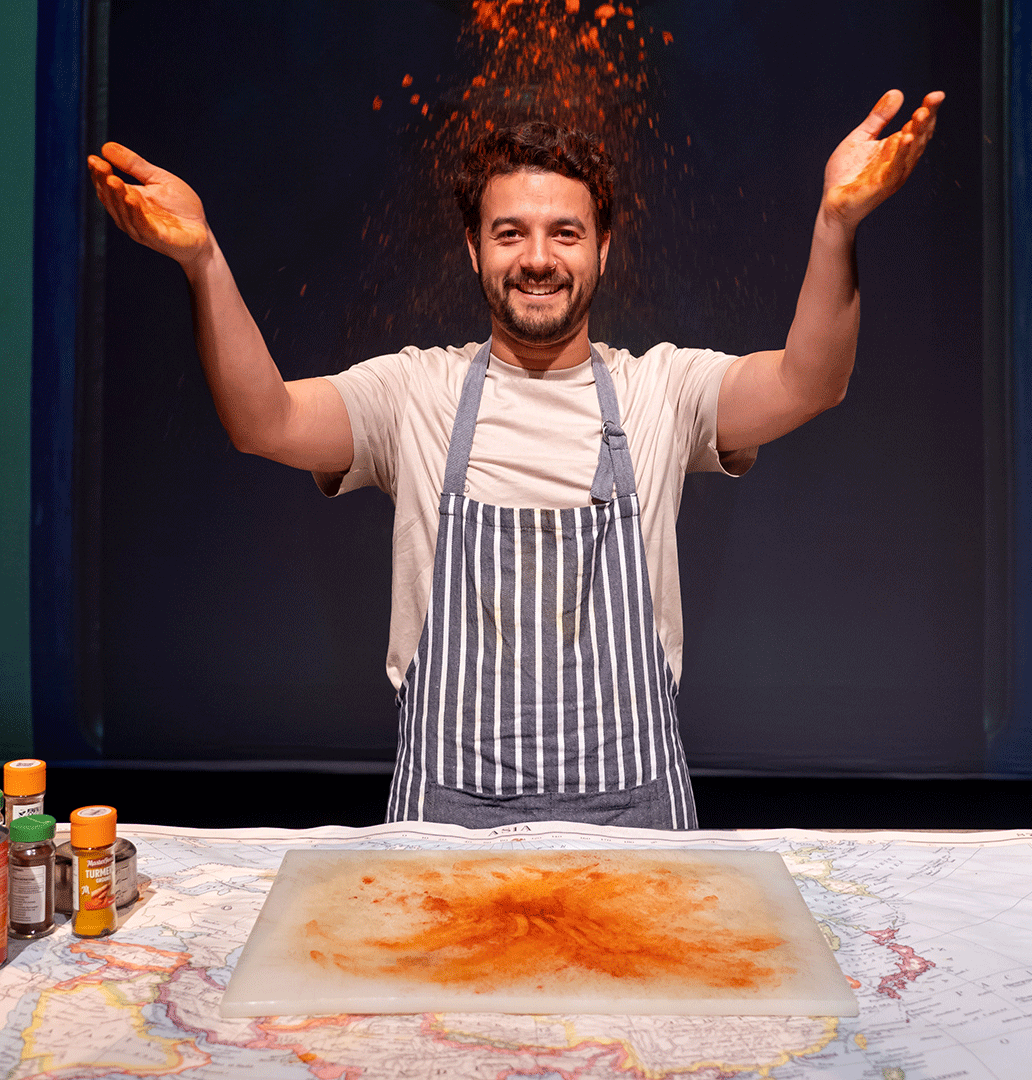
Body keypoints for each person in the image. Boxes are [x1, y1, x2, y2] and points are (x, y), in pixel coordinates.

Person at [88, 89, 943, 829]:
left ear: (604, 247)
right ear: (474, 249)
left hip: (633, 821)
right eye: (511, 233)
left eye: (565, 232)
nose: (538, 258)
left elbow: (809, 384)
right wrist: (202, 259)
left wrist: (836, 224)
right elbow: (262, 419)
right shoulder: (413, 392)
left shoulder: (663, 391)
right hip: (444, 823)